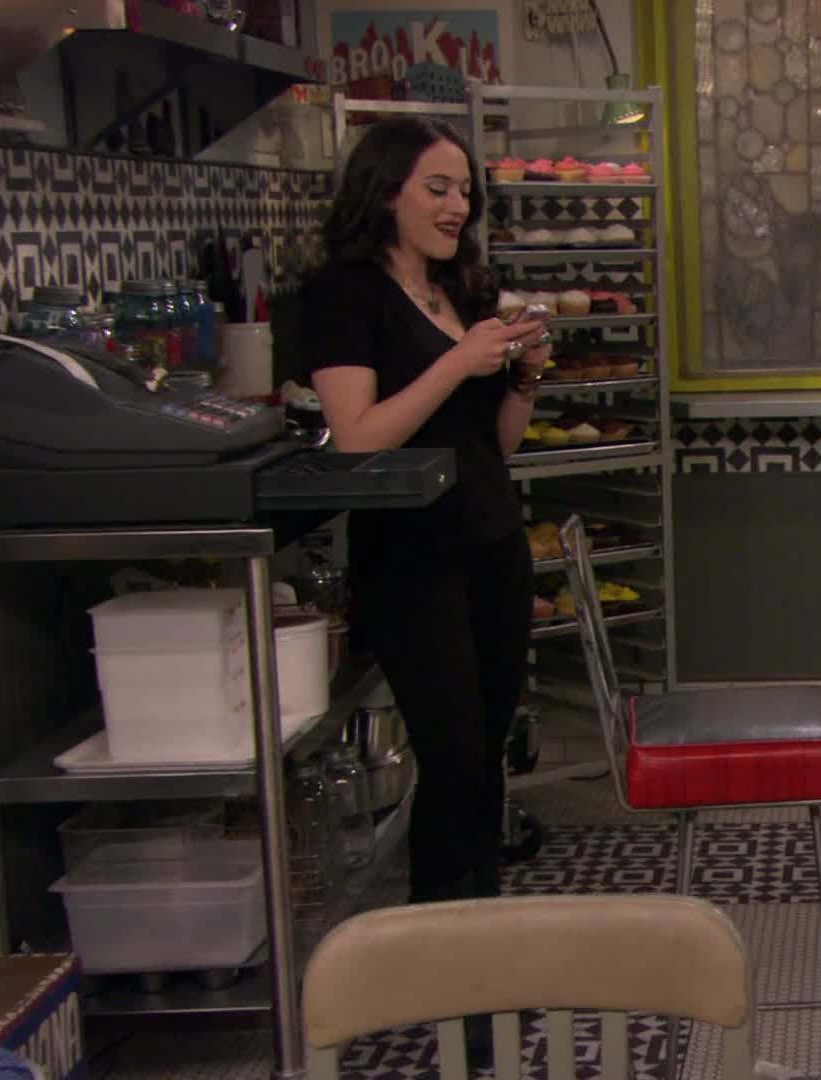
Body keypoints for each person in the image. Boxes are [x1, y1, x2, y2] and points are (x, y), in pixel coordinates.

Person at [299, 117, 547, 905]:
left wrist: (524, 378)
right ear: (385, 192)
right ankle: (438, 933)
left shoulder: (460, 291)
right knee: (451, 757)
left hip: (494, 543)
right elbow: (356, 440)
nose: (456, 207)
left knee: (488, 752)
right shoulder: (344, 294)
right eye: (437, 189)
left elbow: (493, 446)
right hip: (412, 561)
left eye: (465, 192)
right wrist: (459, 362)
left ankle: (482, 916)